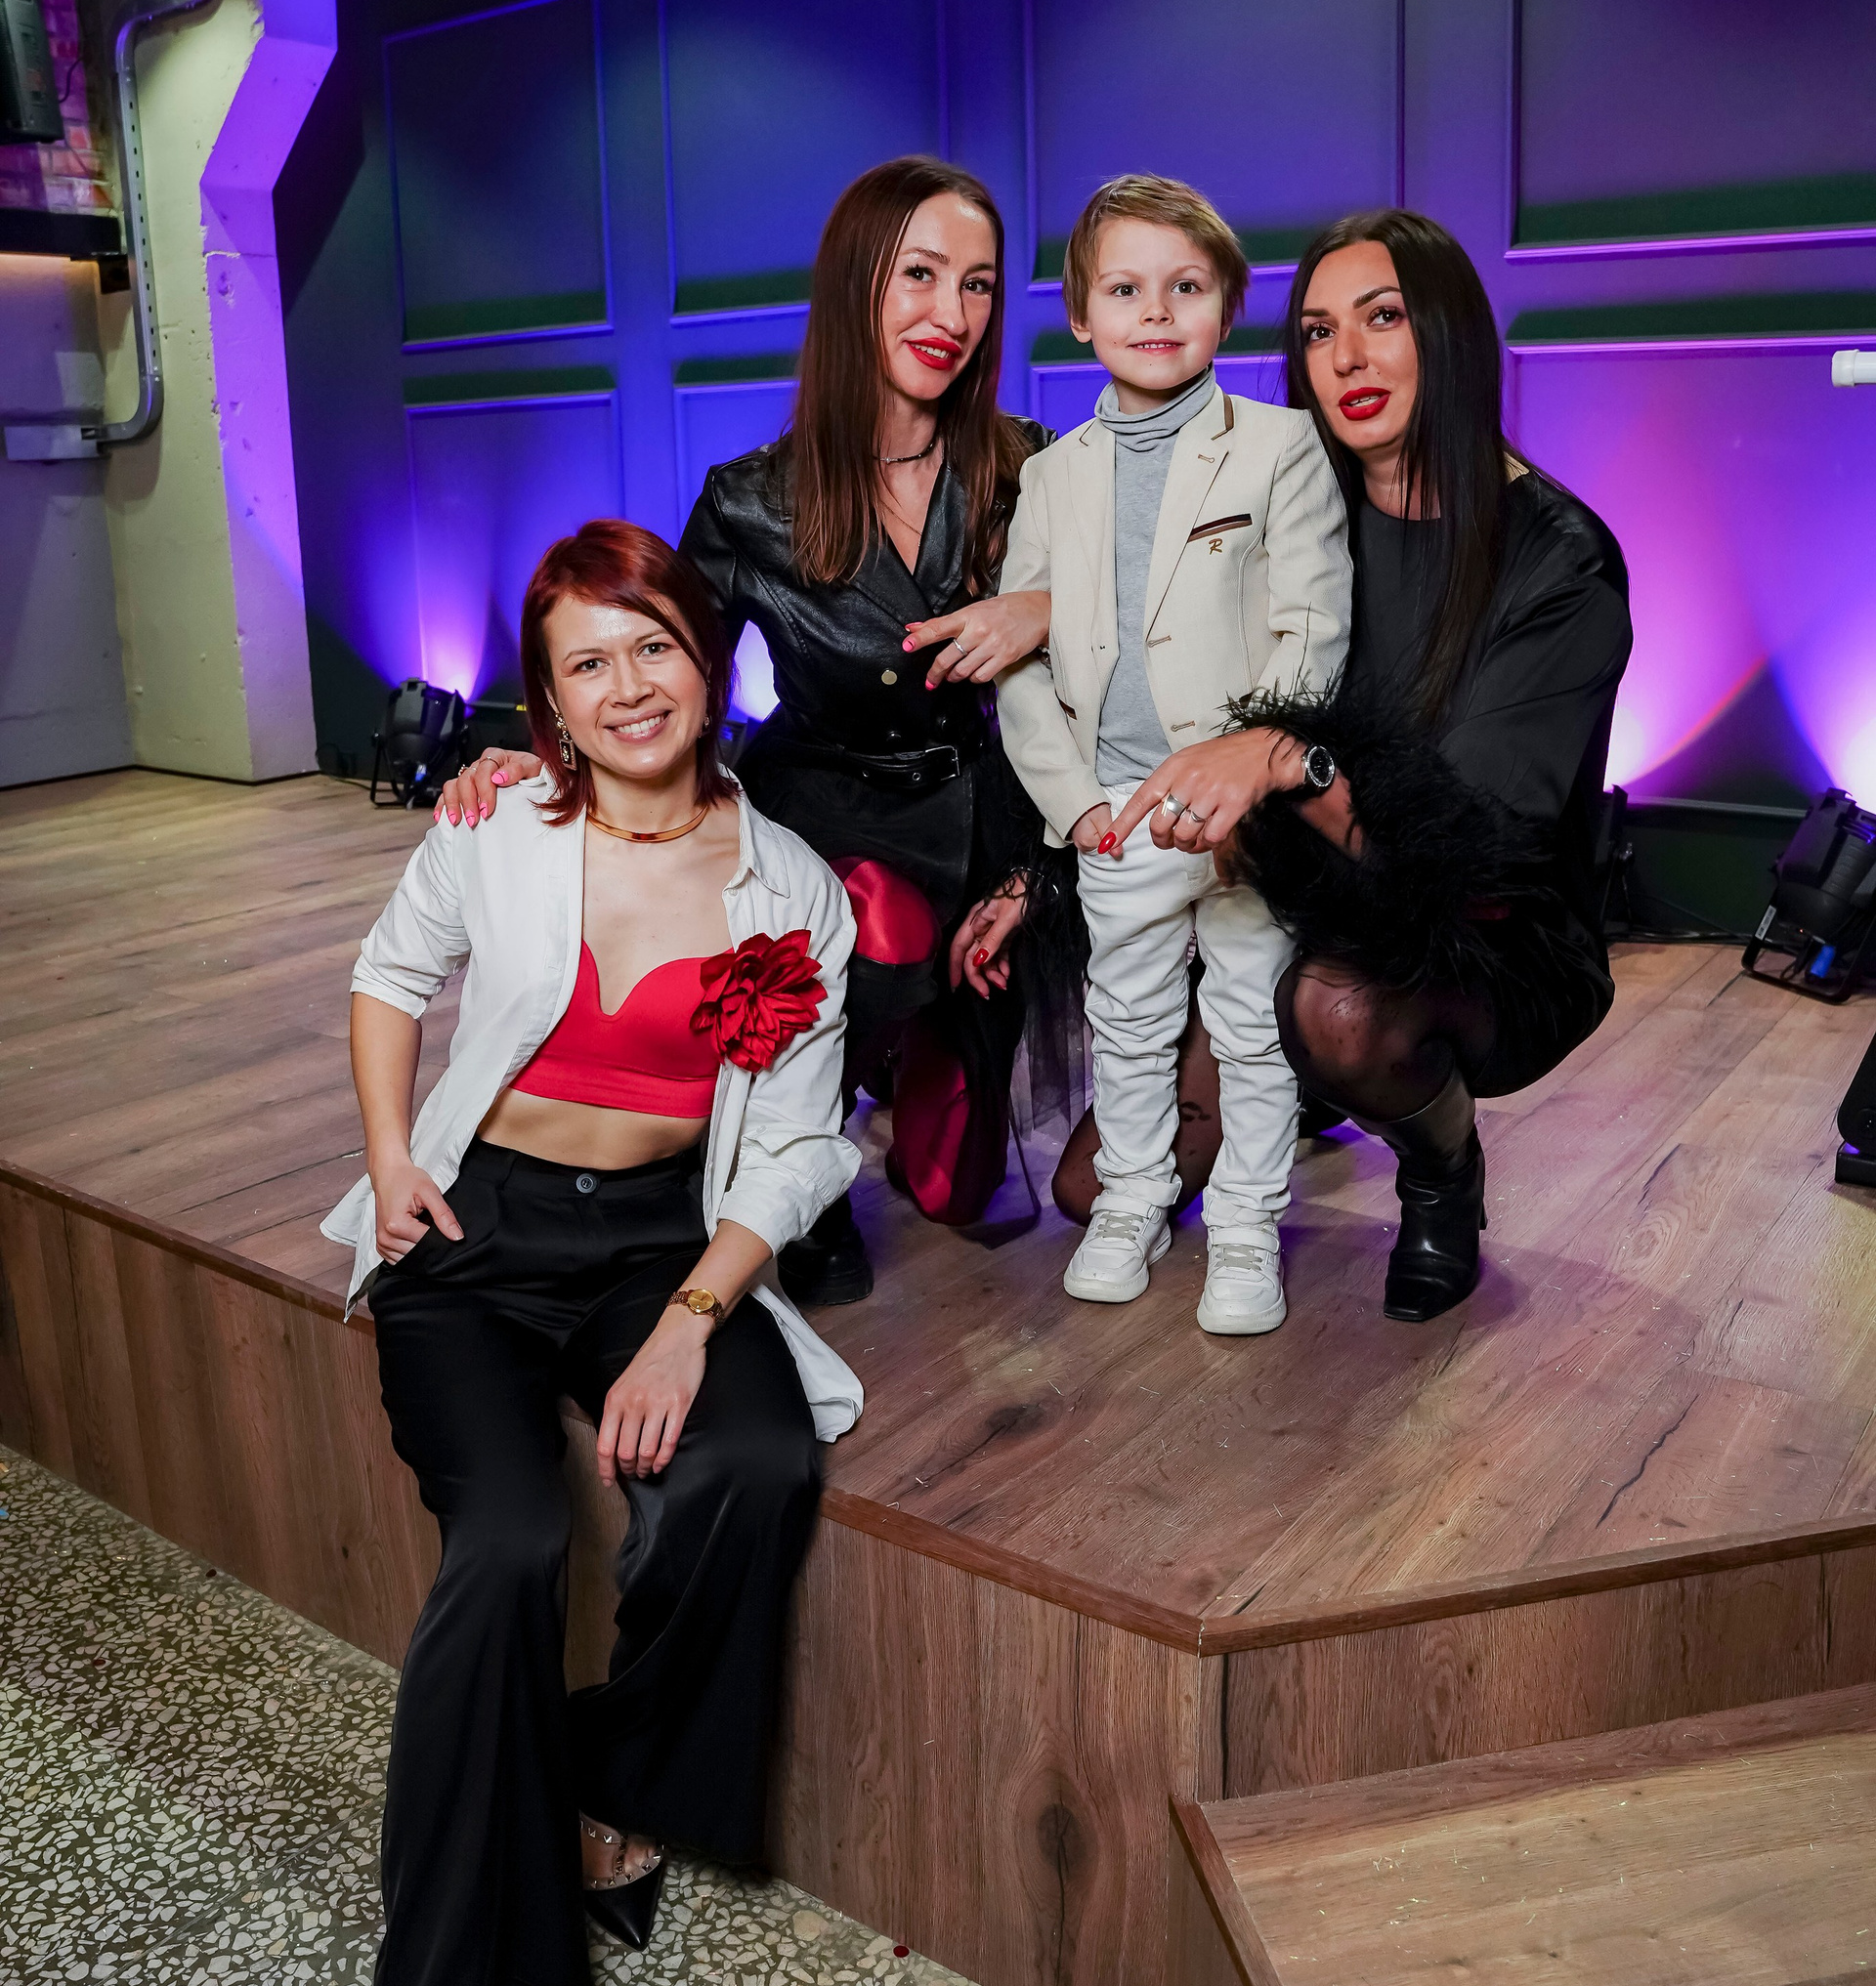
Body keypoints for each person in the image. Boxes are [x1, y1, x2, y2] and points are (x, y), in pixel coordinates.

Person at [322, 521, 859, 1986]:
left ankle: (608, 1783)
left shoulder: (790, 885)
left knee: (756, 1461)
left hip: (659, 1242)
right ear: (547, 700)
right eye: (586, 663)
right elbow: (389, 978)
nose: (629, 688)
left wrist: (696, 1319)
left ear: (708, 657)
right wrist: (392, 1159)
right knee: (509, 1542)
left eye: (654, 646)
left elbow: (795, 1142)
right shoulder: (495, 826)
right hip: (475, 1236)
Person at [446, 155, 1053, 1306]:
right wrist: (557, 749)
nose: (952, 313)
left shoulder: (1032, 464)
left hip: (987, 817)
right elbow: (664, 662)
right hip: (828, 815)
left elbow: (1139, 628)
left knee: (958, 1189)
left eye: (978, 284)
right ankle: (798, 1163)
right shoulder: (750, 497)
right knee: (875, 920)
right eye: (920, 275)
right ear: (856, 285)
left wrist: (1050, 606)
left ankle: (894, 1054)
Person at [1100, 207, 1634, 1323]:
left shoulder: (1562, 562)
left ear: (1449, 334)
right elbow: (1143, 604)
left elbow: (1466, 856)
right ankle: (1296, 1064)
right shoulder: (1298, 508)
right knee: (1086, 1190)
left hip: (1491, 937)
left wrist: (1283, 758)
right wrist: (1036, 609)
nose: (1345, 357)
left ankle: (1442, 1166)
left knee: (1340, 1014)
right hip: (1300, 897)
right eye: (1316, 330)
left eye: (1382, 318)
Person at [996, 174, 1350, 1333]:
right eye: (1126, 289)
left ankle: (1246, 1224)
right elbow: (1020, 663)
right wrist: (1075, 807)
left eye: (1186, 287)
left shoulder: (1280, 447)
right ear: (1080, 314)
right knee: (1130, 1022)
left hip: (1244, 814)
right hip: (1117, 809)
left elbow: (1313, 631)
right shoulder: (1050, 475)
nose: (1156, 311)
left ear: (1227, 307)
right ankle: (1134, 1199)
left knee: (1251, 1026)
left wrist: (1252, 762)